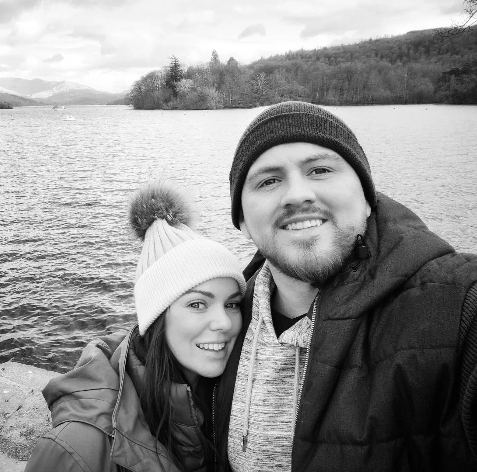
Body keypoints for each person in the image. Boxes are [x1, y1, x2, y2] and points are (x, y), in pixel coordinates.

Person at [215, 101, 477, 471]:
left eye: (320, 170)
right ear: (241, 220)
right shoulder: (227, 314)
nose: (296, 194)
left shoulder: (457, 307)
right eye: (268, 180)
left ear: (368, 200)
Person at [25, 180, 247, 472]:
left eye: (231, 304)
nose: (223, 323)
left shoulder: (228, 395)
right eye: (197, 304)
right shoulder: (77, 448)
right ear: (156, 317)